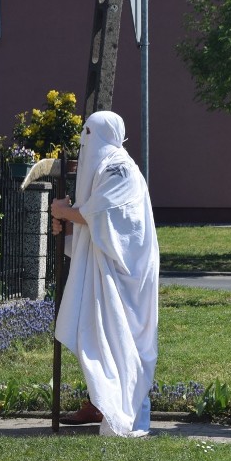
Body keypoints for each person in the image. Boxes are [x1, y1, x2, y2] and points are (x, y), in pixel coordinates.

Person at [50, 110, 159, 438]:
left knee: (124, 340)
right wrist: (66, 228)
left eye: (90, 133)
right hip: (109, 268)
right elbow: (95, 224)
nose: (86, 141)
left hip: (126, 275)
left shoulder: (118, 167)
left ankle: (124, 409)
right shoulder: (104, 167)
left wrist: (64, 212)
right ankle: (101, 402)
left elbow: (102, 214)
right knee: (101, 339)